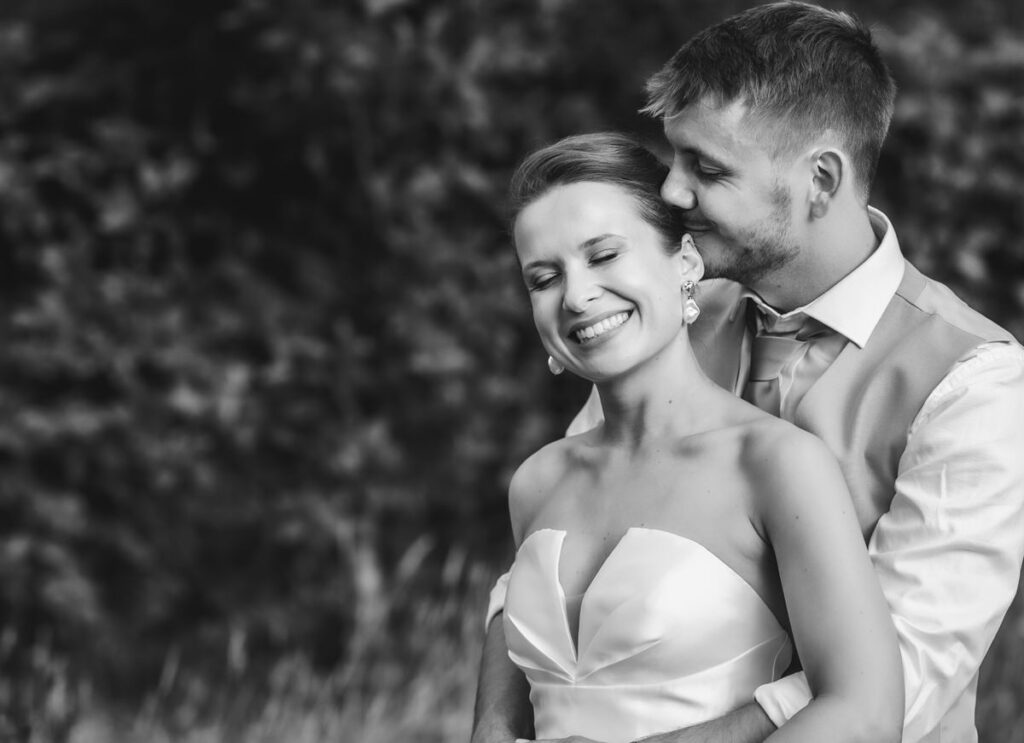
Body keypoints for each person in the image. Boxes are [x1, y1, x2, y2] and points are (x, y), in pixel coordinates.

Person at [472, 3, 1024, 743]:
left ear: (819, 180)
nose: (671, 192)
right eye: (674, 159)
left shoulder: (974, 382)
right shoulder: (671, 316)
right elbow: (560, 534)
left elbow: (901, 676)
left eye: (707, 168)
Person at [499, 130, 902, 743]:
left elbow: (863, 715)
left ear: (685, 263)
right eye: (544, 278)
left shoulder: (775, 463)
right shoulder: (537, 481)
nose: (576, 296)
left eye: (604, 255)